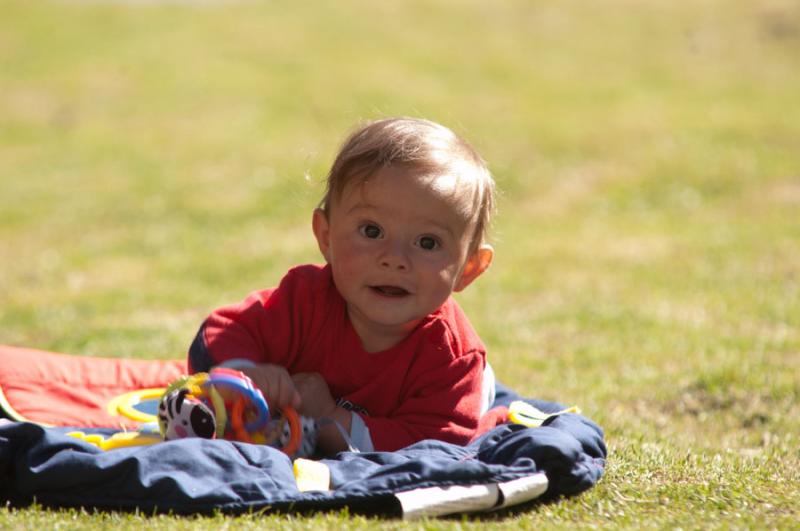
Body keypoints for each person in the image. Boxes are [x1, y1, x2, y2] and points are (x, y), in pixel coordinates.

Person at [188, 117, 497, 455]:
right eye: (372, 231)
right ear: (326, 237)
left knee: (473, 401)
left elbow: (438, 442)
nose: (394, 259)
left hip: (450, 399)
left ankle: (487, 385)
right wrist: (247, 376)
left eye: (427, 242)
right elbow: (220, 333)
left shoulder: (452, 358)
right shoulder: (305, 300)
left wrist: (331, 419)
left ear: (468, 268)